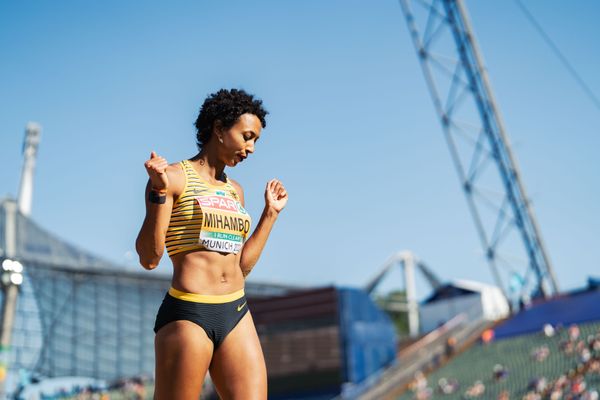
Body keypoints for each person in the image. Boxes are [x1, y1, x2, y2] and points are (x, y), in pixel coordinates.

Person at [135, 88, 288, 399]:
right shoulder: (174, 178)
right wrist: (158, 192)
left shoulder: (236, 191)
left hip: (236, 311)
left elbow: (240, 266)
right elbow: (149, 258)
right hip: (189, 314)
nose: (251, 148)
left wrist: (269, 214)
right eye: (247, 136)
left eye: (255, 140)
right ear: (219, 129)